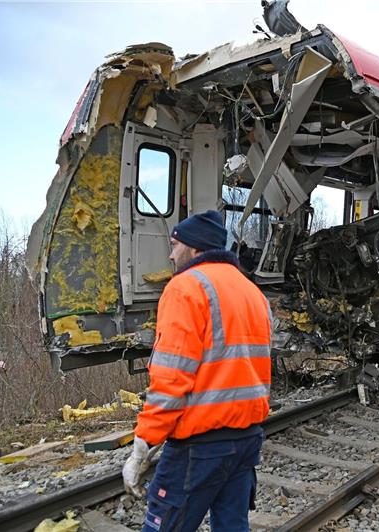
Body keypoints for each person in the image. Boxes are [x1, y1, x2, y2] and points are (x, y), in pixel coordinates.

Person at [122, 210, 272, 532]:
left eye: (175, 245)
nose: (171, 253)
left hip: (200, 445)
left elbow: (171, 379)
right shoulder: (253, 293)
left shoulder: (185, 288)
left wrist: (143, 446)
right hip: (246, 438)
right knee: (232, 526)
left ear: (195, 248)